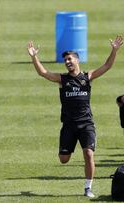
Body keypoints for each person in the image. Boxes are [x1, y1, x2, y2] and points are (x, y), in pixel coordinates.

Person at [27, 36, 123, 198]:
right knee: (64, 159)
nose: (67, 62)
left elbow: (107, 66)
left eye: (70, 59)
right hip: (69, 125)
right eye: (65, 60)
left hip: (86, 124)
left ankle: (88, 188)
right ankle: (69, 153)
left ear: (77, 60)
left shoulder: (88, 77)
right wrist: (34, 57)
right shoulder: (62, 79)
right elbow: (43, 73)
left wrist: (114, 50)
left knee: (89, 154)